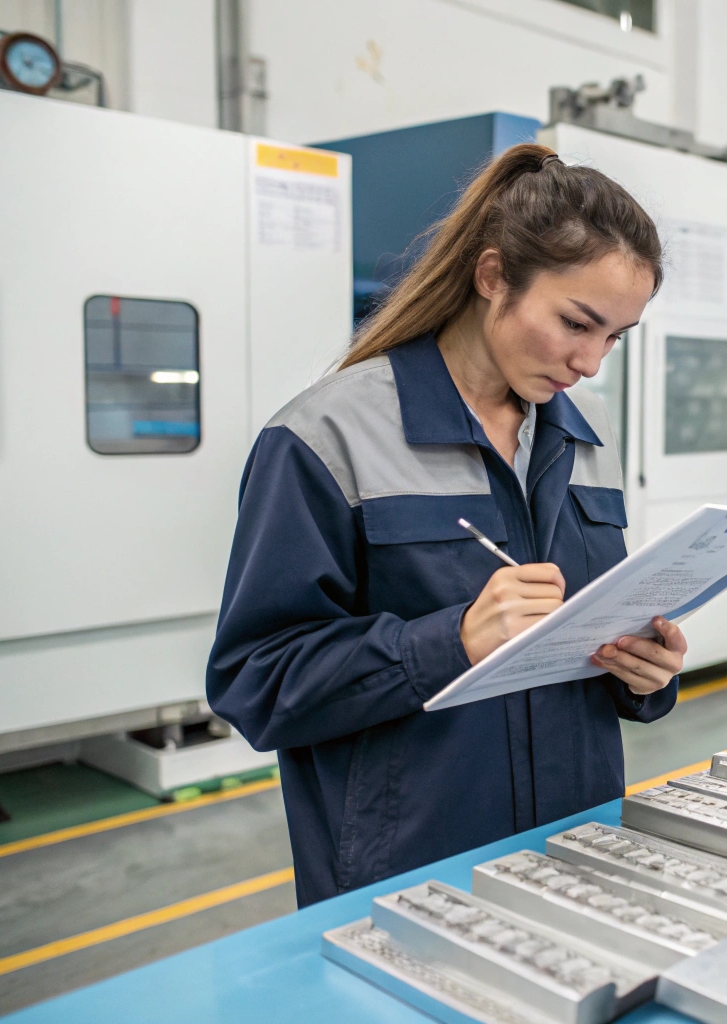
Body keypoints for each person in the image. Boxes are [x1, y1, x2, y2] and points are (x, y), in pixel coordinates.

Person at [207, 143, 685, 907]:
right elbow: (256, 682)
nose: (591, 363)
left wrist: (644, 677)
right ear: (493, 277)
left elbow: (588, 636)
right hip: (408, 871)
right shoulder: (327, 436)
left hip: (575, 847)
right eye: (576, 323)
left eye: (614, 337)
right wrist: (451, 640)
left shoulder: (586, 433)